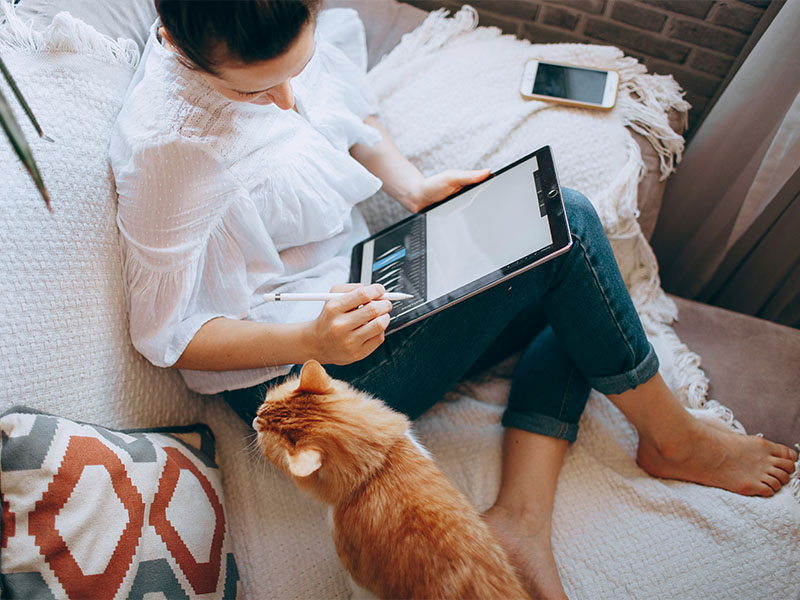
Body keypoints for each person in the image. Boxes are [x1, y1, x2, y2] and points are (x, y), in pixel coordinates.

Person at [108, 2, 798, 598]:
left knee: (572, 274)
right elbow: (166, 335)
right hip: (300, 383)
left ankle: (521, 518)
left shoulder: (269, 29)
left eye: (298, 68)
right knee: (574, 228)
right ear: (187, 50)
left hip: (363, 290)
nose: (291, 100)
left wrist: (412, 187)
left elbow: (348, 116)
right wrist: (310, 342)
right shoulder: (168, 149)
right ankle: (671, 436)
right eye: (260, 93)